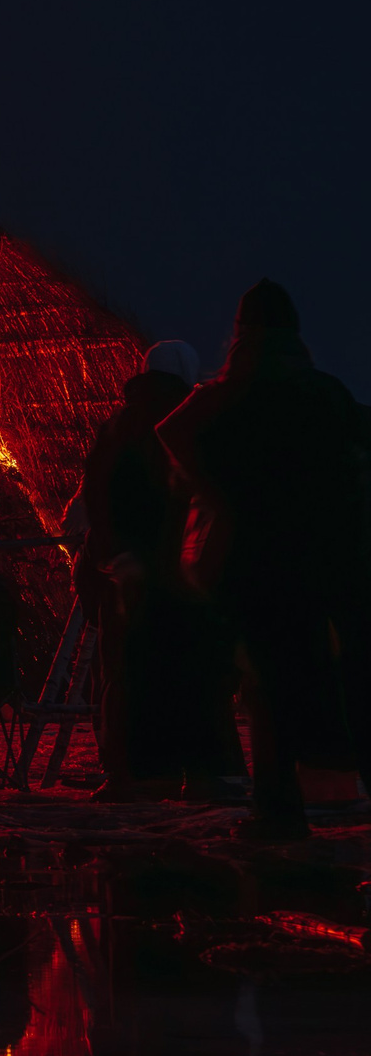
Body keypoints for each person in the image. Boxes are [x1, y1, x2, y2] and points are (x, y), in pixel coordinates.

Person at [159, 281, 371, 840]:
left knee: (268, 689)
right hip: (328, 558)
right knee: (346, 680)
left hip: (253, 562)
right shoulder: (326, 394)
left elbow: (173, 430)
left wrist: (218, 491)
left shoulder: (226, 396)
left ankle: (278, 811)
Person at [72, 341, 242, 801]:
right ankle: (205, 773)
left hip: (130, 574)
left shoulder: (117, 426)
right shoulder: (196, 422)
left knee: (124, 673)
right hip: (184, 568)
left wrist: (114, 558)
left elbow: (96, 497)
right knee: (195, 671)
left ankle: (131, 775)